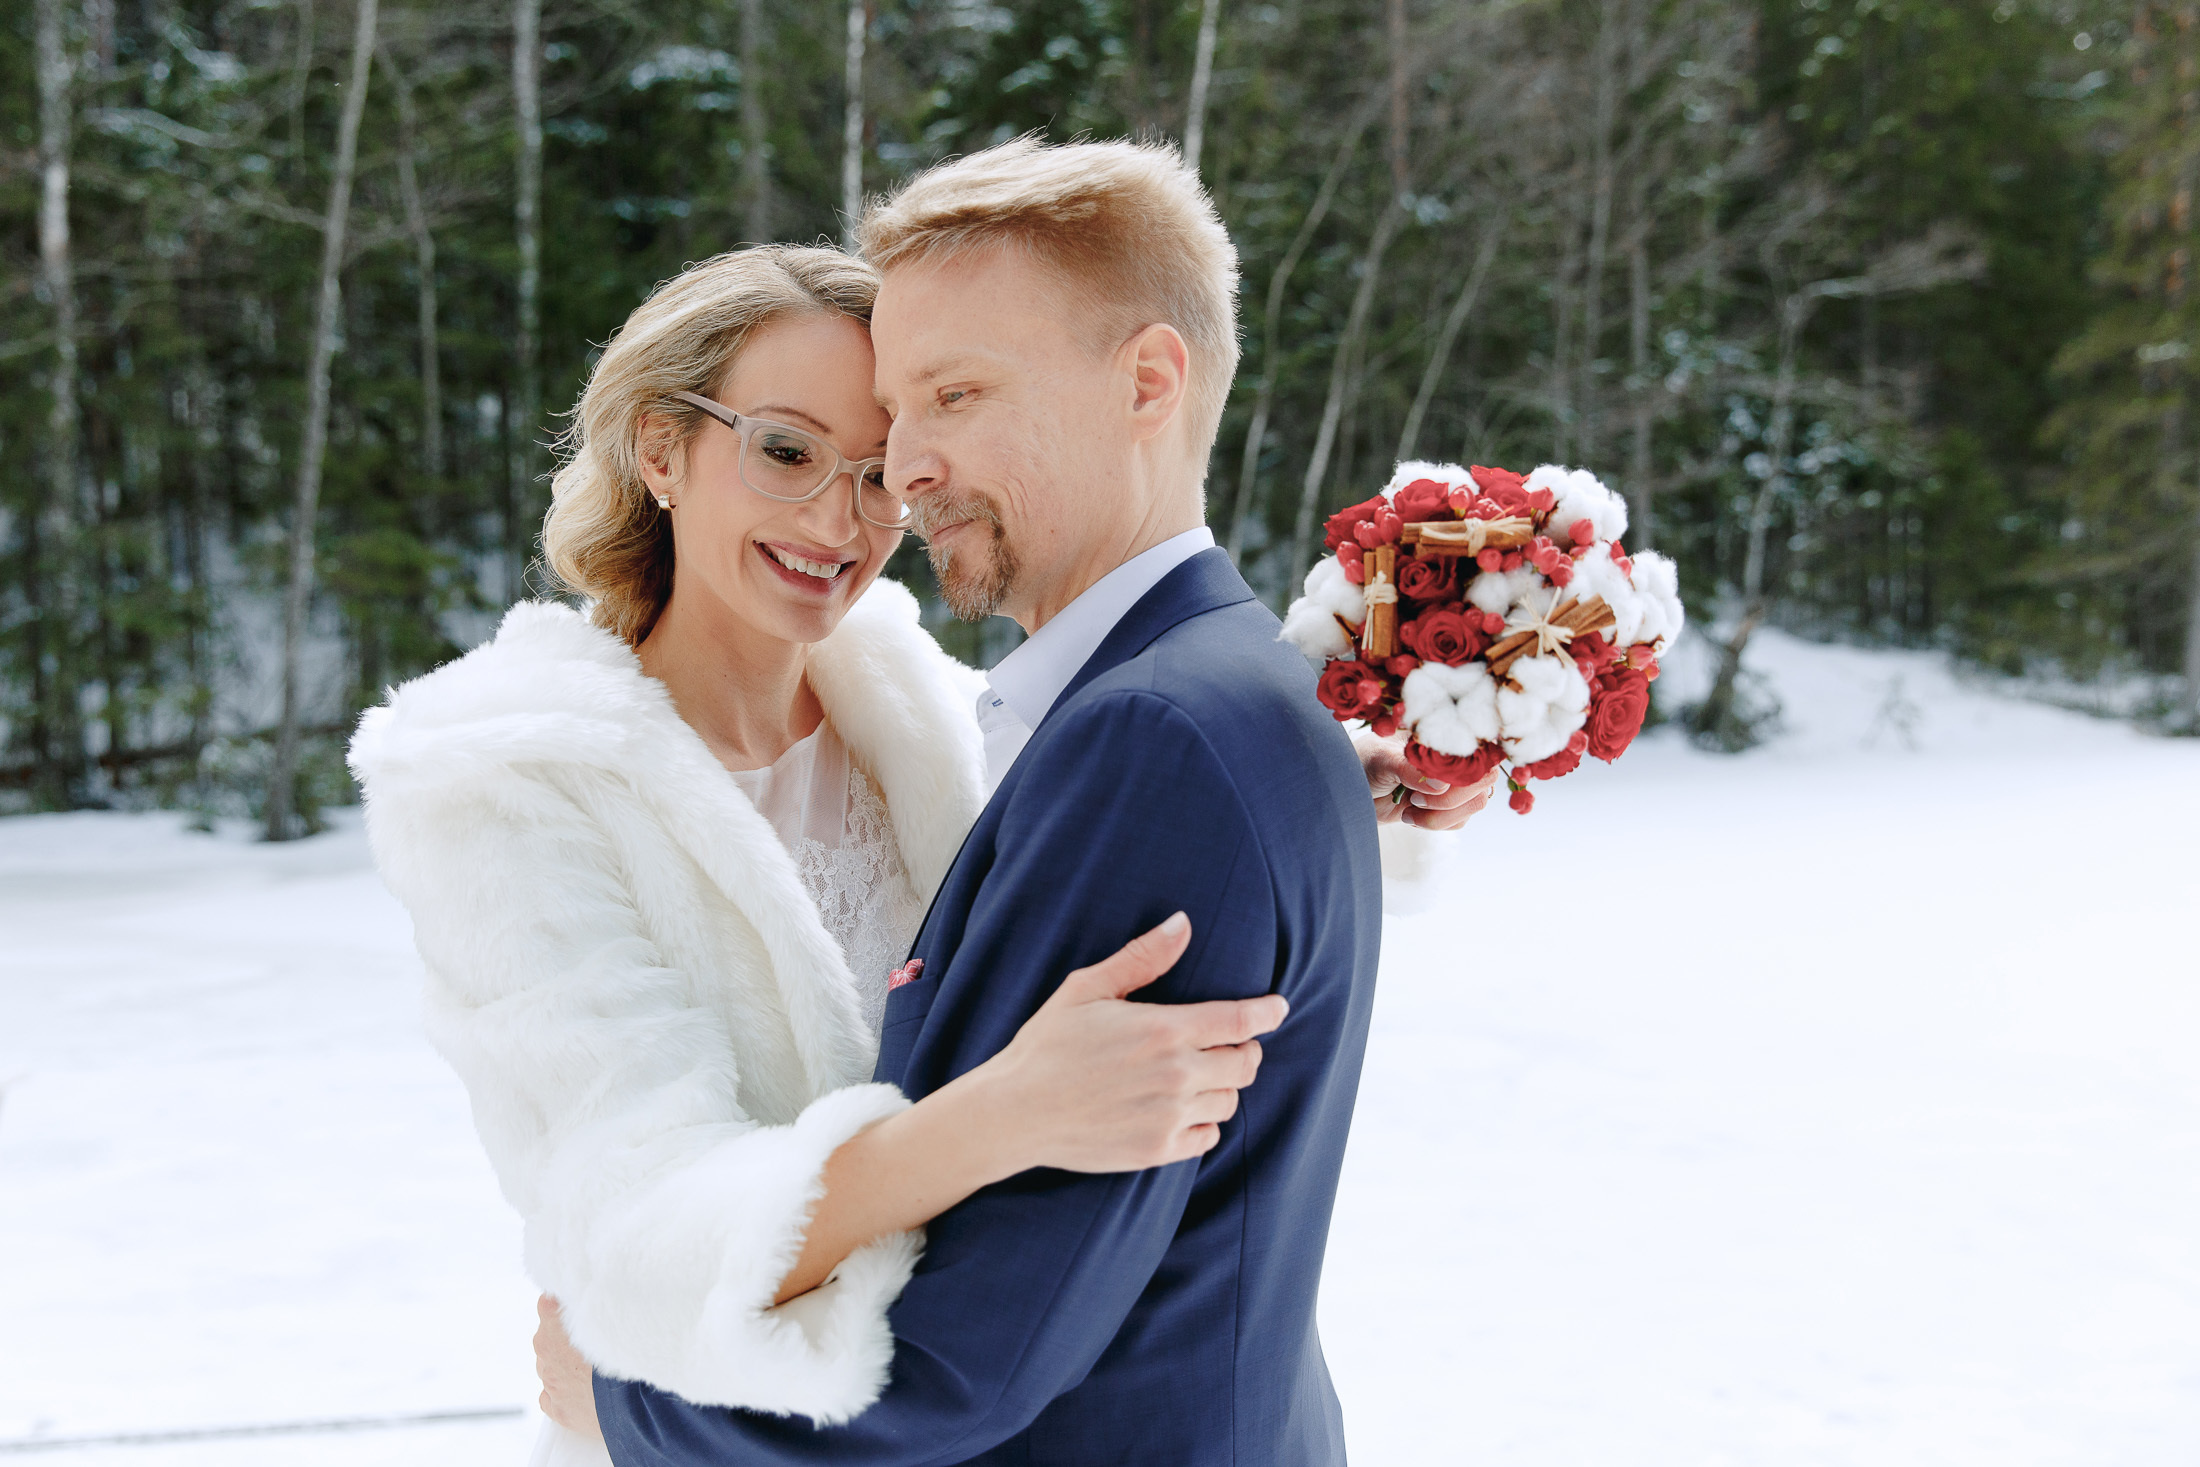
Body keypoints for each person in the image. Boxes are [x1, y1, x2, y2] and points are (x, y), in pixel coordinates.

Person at [351, 240, 1489, 1466]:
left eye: (879, 466)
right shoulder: (510, 780)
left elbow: (1106, 845)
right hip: (723, 1431)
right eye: (785, 451)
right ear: (661, 449)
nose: (841, 521)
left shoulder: (918, 705)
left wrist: (1320, 787)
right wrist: (998, 1118)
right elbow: (639, 1231)